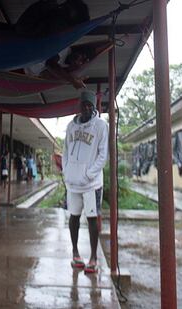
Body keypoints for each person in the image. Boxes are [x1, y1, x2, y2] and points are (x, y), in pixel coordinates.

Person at [63, 90, 108, 275]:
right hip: (72, 182)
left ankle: (93, 258)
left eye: (90, 105)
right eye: (84, 105)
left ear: (94, 106)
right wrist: (66, 171)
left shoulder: (100, 126)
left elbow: (103, 155)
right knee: (73, 217)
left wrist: (89, 174)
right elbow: (65, 150)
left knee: (92, 219)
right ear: (79, 106)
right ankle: (75, 253)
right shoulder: (71, 127)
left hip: (91, 184)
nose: (87, 109)